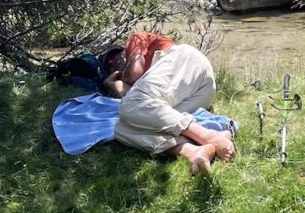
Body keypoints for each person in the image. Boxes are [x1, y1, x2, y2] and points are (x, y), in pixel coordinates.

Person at [101, 32, 236, 175]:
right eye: (108, 66)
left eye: (113, 56)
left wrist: (119, 79)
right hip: (195, 95)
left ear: (124, 50)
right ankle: (191, 151)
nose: (112, 63)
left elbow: (134, 74)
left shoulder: (136, 38)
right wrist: (112, 85)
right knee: (122, 128)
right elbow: (137, 104)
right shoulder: (146, 87)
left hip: (187, 63)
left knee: (130, 107)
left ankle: (210, 136)